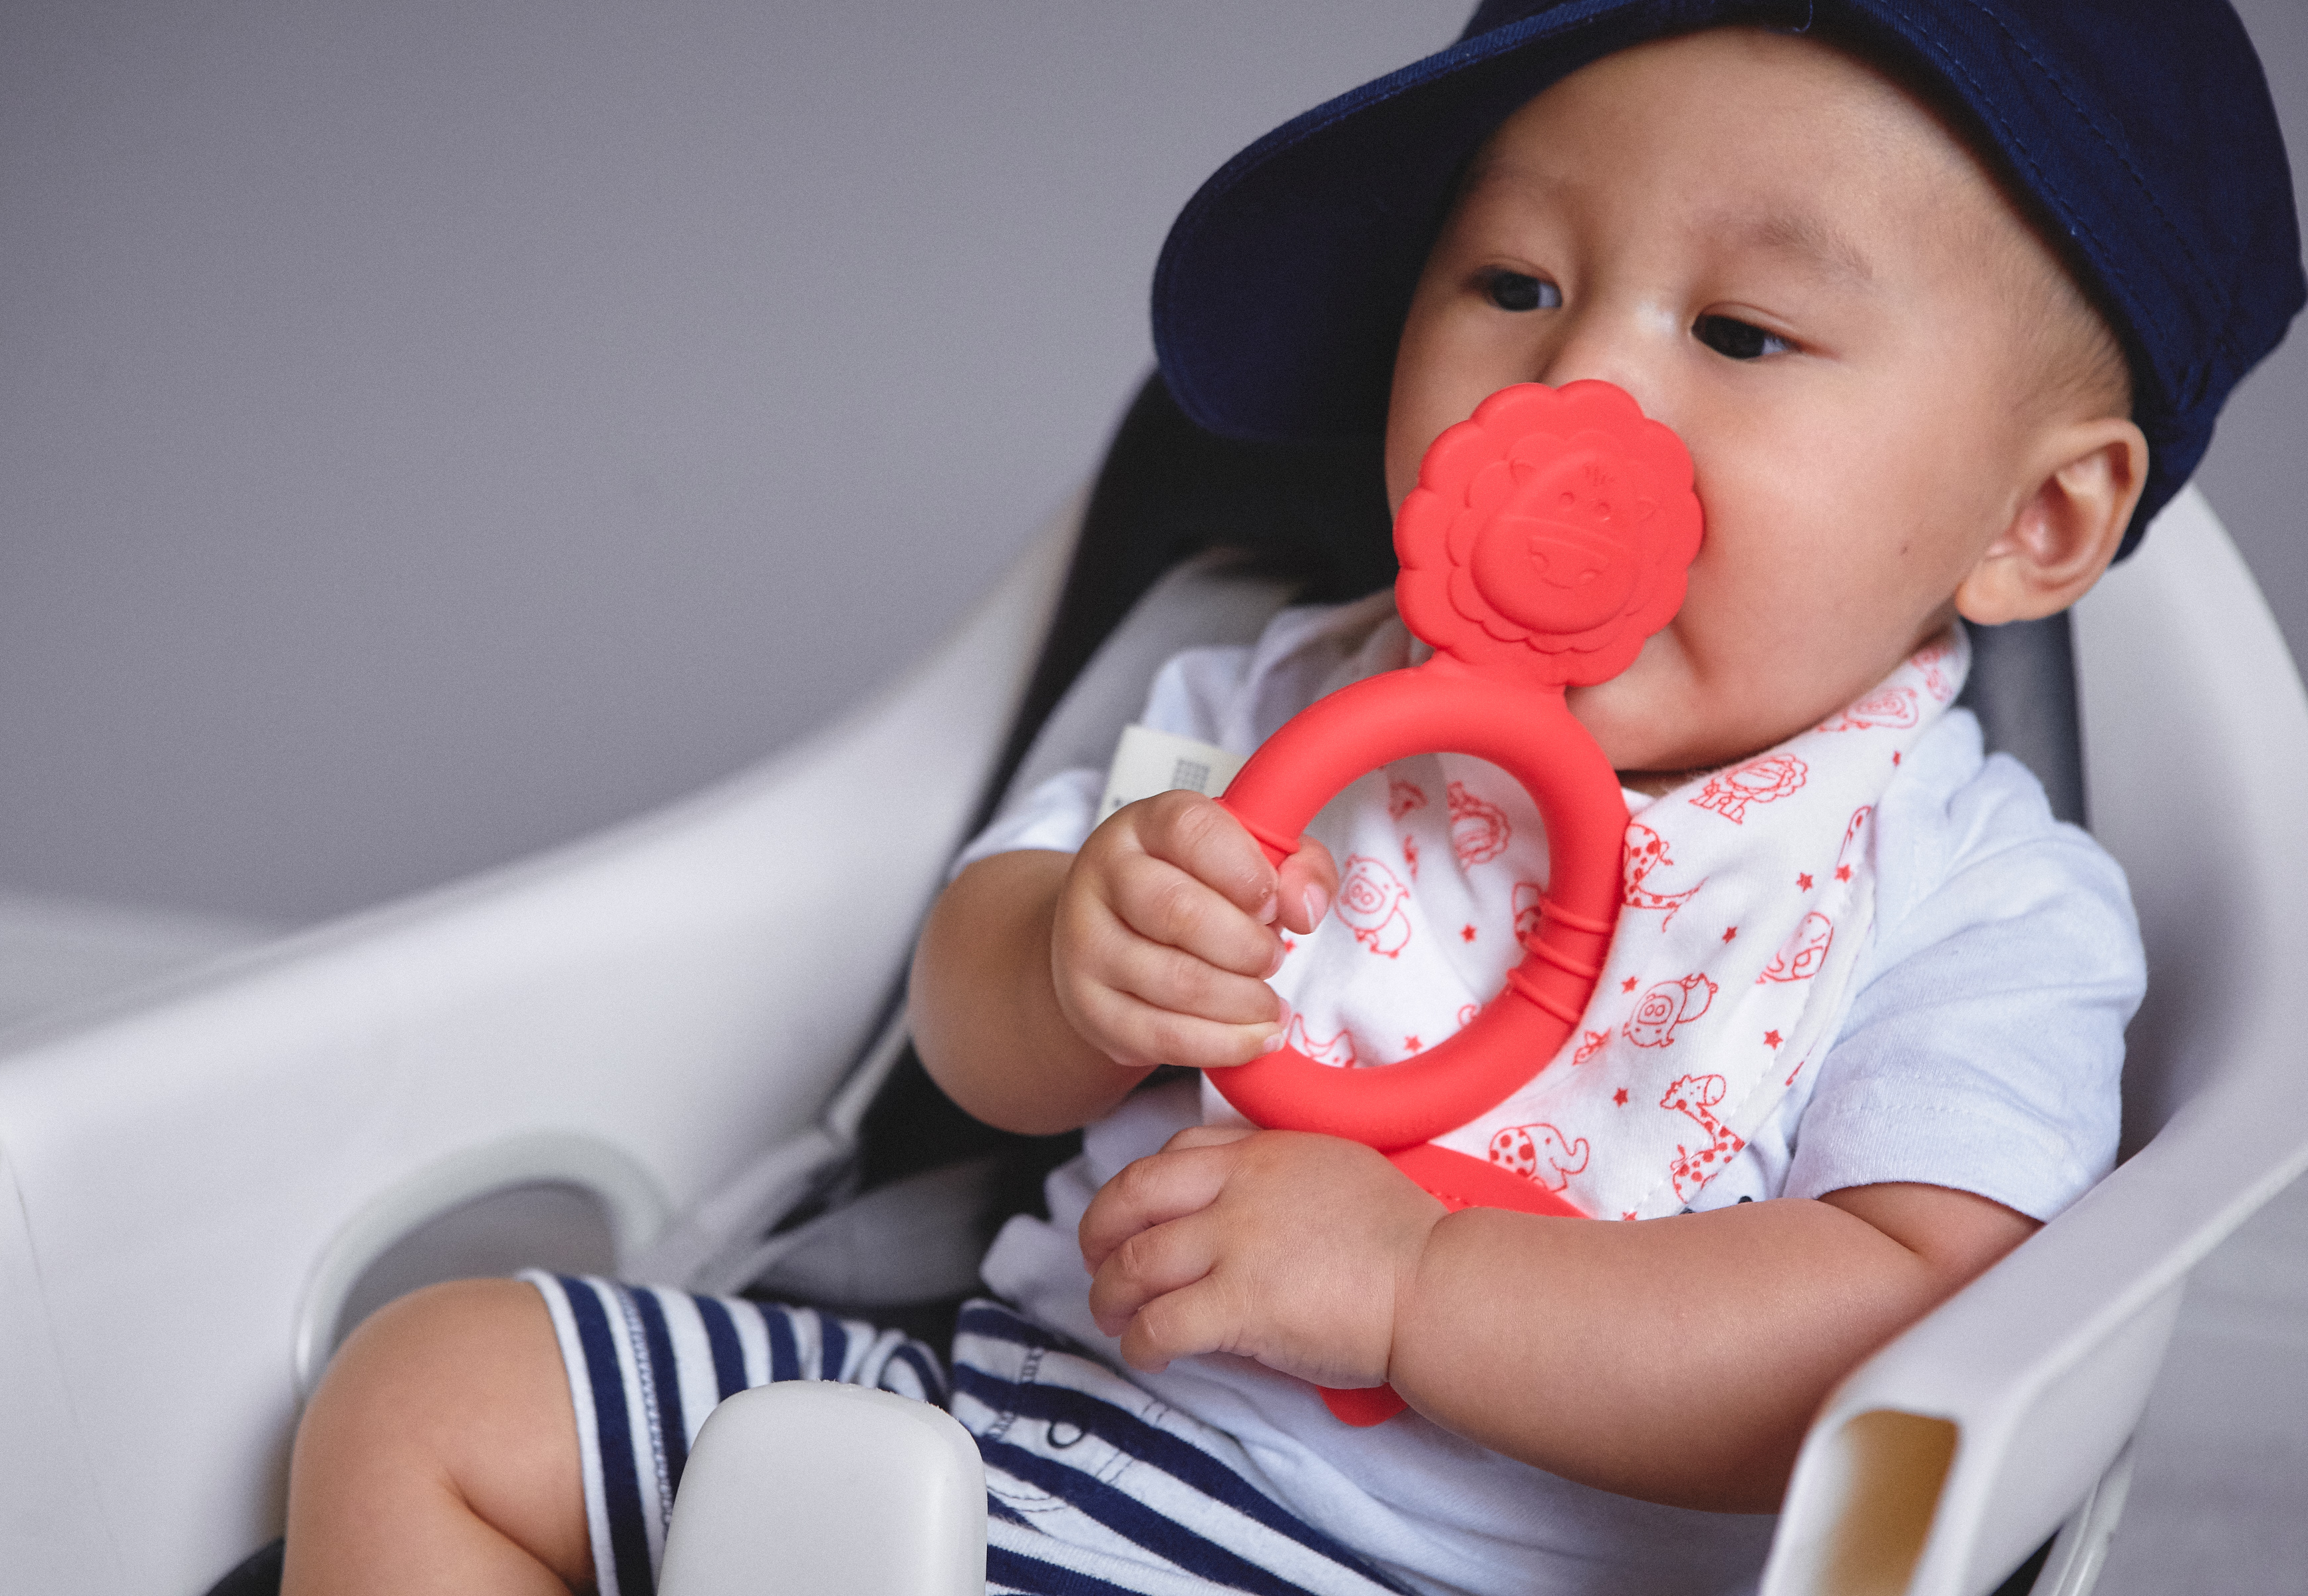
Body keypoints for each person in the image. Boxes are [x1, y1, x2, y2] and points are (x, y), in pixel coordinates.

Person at [277, 5, 2303, 1594]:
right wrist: (1072, 956)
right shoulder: (1277, 691)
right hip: (992, 1417)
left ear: (2039, 522)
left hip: (1438, 1565)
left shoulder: (1976, 901)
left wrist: (1424, 1286)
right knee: (432, 1394)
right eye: (1510, 283)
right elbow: (972, 1022)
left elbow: (1915, 1333)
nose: (1572, 395)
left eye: (1743, 330)